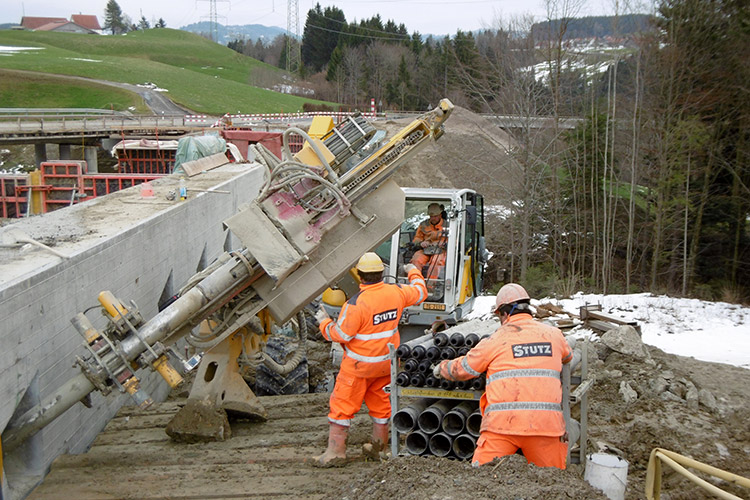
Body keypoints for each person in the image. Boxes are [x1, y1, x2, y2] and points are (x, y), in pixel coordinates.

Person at [433, 283, 573, 469]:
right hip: (545, 427)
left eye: (499, 315)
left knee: (483, 477)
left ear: (505, 313)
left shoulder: (495, 340)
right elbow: (568, 356)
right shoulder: (554, 335)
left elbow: (464, 369)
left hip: (502, 427)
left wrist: (441, 368)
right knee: (551, 482)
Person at [313, 252, 427, 467]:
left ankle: (335, 453)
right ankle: (380, 449)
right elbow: (421, 292)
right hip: (385, 365)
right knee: (382, 407)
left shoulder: (356, 304)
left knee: (342, 407)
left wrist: (324, 323)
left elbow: (341, 335)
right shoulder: (397, 293)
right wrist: (412, 269)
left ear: (360, 274)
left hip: (358, 367)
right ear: (381, 273)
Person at [410, 202, 447, 278]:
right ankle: (416, 283)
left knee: (436, 262)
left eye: (435, 216)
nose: (433, 218)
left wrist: (444, 243)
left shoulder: (448, 225)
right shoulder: (423, 225)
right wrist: (421, 243)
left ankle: (431, 286)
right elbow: (416, 238)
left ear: (440, 215)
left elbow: (454, 241)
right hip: (425, 250)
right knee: (416, 260)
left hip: (441, 251)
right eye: (431, 216)